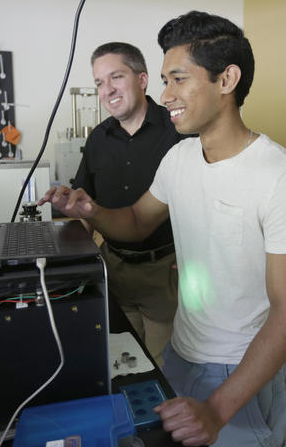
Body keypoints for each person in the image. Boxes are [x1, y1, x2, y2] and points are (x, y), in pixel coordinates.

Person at [40, 11, 286, 446]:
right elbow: (134, 222)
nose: (166, 94)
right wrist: (90, 209)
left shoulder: (283, 178)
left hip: (241, 369)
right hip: (181, 354)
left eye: (178, 79)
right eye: (165, 81)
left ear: (226, 80)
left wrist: (218, 408)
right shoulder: (180, 158)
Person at [72, 42, 184, 364]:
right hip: (114, 267)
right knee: (125, 359)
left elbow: (206, 200)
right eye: (99, 83)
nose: (107, 90)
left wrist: (199, 257)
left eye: (116, 77)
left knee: (166, 368)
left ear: (142, 79)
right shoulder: (98, 138)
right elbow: (85, 204)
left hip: (165, 271)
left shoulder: (178, 132)